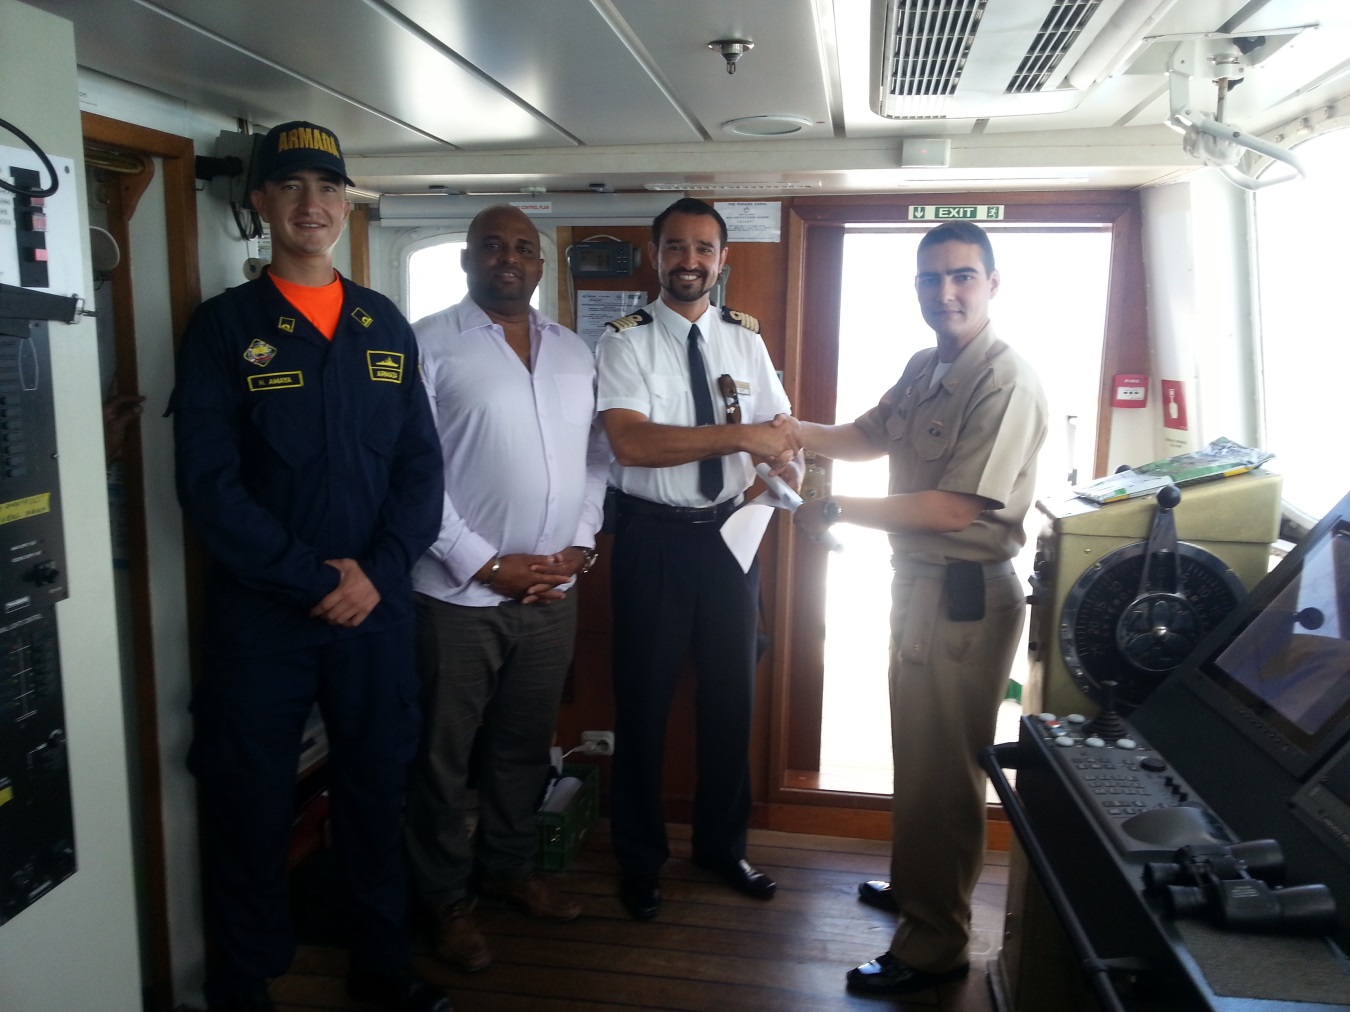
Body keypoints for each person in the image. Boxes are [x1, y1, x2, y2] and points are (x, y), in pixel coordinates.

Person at [172, 120, 450, 1012]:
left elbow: (420, 470)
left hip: (373, 611)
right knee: (249, 800)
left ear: (345, 204)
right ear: (258, 203)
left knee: (376, 792)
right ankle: (246, 981)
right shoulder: (225, 328)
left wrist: (375, 572)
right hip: (264, 621)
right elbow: (210, 489)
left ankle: (381, 964)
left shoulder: (382, 322)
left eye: (327, 188)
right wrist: (313, 580)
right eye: (289, 186)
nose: (311, 205)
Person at [793, 221, 1048, 997]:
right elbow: (866, 435)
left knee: (943, 777)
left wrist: (832, 511)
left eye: (963, 277)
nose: (947, 293)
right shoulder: (926, 364)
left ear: (992, 284)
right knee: (920, 758)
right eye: (932, 280)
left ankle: (935, 944)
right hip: (920, 590)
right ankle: (915, 892)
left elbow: (948, 510)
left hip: (964, 600)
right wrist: (784, 433)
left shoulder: (1005, 379)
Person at [403, 205, 608, 972]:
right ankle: (446, 903)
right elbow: (412, 474)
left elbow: (596, 458)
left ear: (541, 263)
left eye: (524, 247)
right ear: (467, 258)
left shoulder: (572, 350)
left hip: (553, 592)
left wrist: (580, 546)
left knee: (525, 748)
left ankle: (511, 869)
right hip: (456, 597)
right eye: (494, 245)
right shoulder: (426, 344)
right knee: (440, 759)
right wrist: (486, 563)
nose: (510, 258)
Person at [595, 197, 802, 921]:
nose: (690, 261)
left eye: (704, 249)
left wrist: (785, 467)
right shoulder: (624, 340)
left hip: (730, 538)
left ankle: (721, 845)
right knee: (644, 708)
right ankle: (640, 860)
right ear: (657, 257)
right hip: (652, 539)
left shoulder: (747, 340)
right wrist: (739, 438)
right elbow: (633, 443)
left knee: (730, 704)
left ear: (723, 259)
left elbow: (782, 437)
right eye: (676, 248)